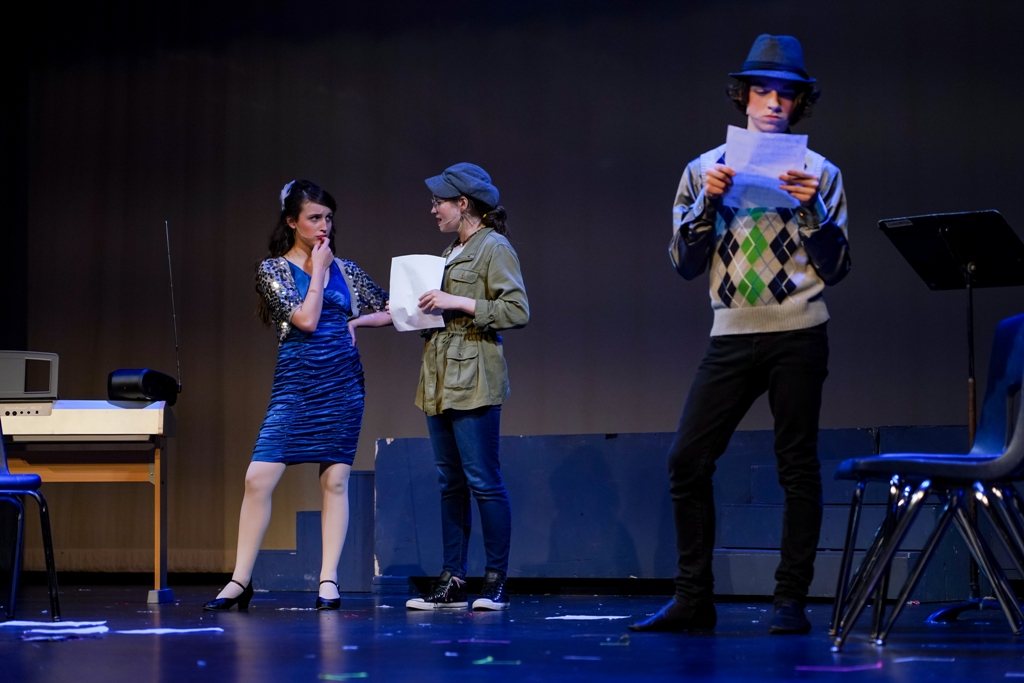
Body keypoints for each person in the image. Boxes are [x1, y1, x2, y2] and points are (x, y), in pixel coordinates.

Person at [629, 35, 850, 635]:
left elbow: (837, 268)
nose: (774, 103)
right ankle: (693, 599)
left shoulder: (821, 173)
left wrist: (814, 213)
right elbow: (683, 262)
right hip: (731, 332)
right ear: (743, 97)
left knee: (796, 466)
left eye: (786, 94)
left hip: (799, 330)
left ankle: (790, 601)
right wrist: (708, 202)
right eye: (762, 91)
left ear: (799, 103)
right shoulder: (704, 170)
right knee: (687, 460)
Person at [205, 180, 391, 611]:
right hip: (296, 384)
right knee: (258, 478)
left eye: (328, 218)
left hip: (342, 383)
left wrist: (357, 322)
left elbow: (390, 309)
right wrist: (319, 271)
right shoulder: (273, 270)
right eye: (314, 218)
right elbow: (305, 320)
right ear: (292, 222)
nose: (324, 226)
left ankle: (328, 580)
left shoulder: (345, 268)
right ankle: (240, 580)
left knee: (336, 480)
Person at [404, 163, 529, 611]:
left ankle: (495, 580)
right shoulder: (450, 251)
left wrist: (456, 300)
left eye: (439, 201)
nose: (433, 209)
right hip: (439, 377)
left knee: (483, 481)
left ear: (463, 204)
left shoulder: (494, 247)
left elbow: (516, 310)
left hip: (474, 376)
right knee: (450, 483)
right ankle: (452, 578)